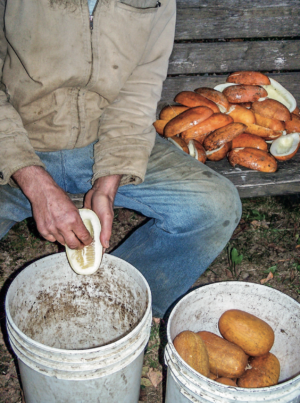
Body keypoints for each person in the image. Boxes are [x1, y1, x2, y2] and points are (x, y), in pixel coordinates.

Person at [0, 0, 241, 318]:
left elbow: (138, 90)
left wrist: (109, 178)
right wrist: (32, 178)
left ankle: (118, 304)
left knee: (215, 206)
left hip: (104, 140)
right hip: (15, 139)